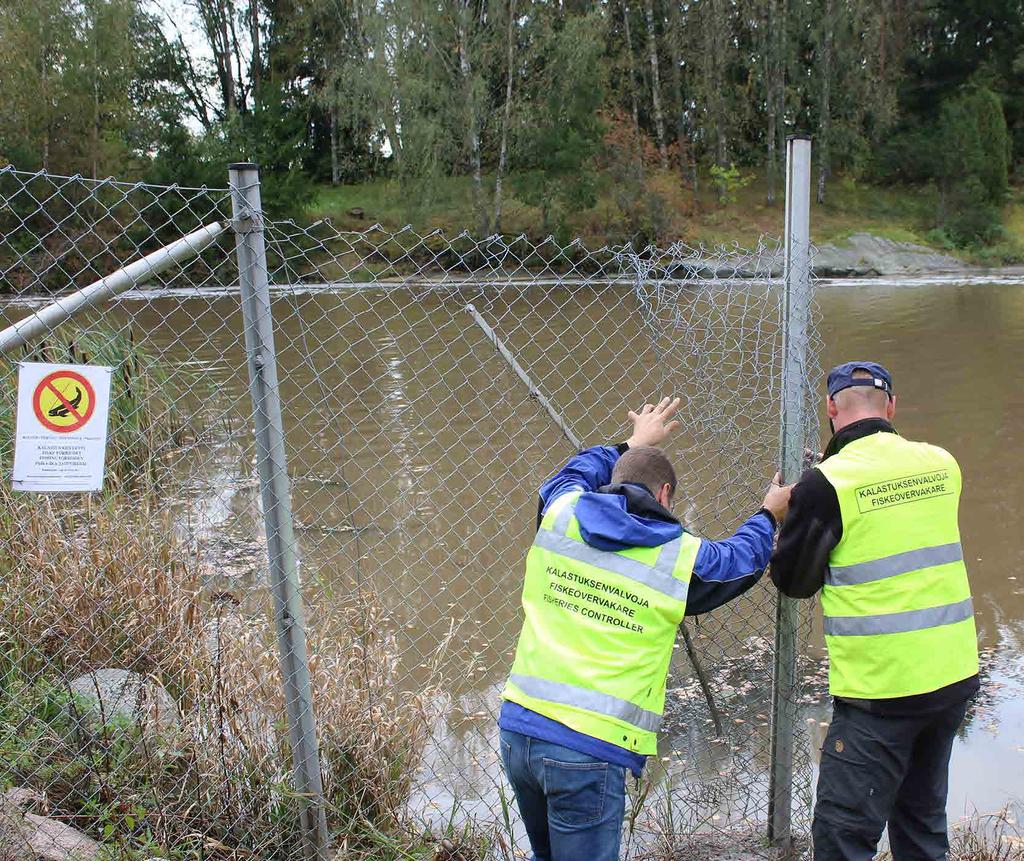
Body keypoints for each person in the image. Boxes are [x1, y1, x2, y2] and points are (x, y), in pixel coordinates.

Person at [498, 396, 793, 861]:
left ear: (611, 482)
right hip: (587, 748)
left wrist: (631, 442)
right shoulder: (677, 559)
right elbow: (737, 562)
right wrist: (768, 515)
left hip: (519, 730)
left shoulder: (561, 513)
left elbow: (570, 473)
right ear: (664, 497)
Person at [770, 362, 979, 861]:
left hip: (881, 690)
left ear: (830, 410)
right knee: (922, 823)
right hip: (951, 677)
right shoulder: (941, 464)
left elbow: (794, 580)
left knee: (843, 838)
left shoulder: (826, 485)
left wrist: (784, 514)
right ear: (891, 407)